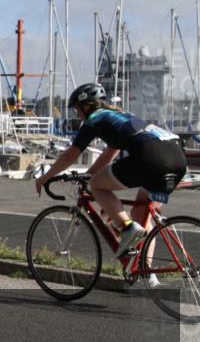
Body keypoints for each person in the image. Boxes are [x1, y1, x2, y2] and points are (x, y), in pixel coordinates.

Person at [35, 82, 187, 258]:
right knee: (141, 215)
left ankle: (127, 228)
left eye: (77, 110)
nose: (78, 115)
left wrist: (45, 177)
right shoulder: (119, 115)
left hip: (151, 159)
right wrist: (89, 173)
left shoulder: (94, 119)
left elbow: (71, 155)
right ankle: (146, 276)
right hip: (177, 160)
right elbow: (110, 154)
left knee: (97, 186)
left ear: (86, 106)